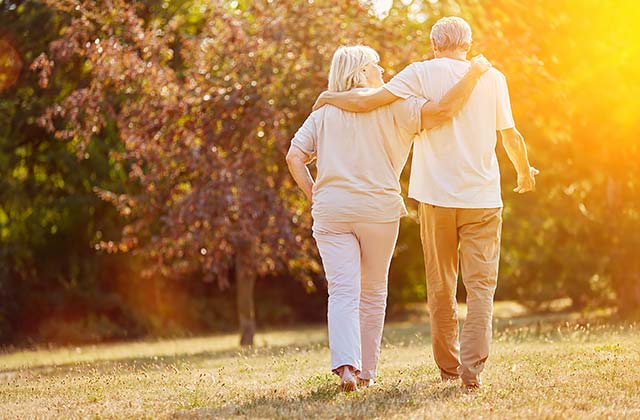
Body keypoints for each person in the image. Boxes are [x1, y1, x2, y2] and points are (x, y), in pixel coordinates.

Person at [313, 17, 539, 390]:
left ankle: (449, 368)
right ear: (467, 43)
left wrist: (329, 98)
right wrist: (524, 172)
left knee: (441, 286)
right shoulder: (493, 77)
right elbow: (510, 135)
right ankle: (472, 370)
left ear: (434, 44)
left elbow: (368, 100)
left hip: (435, 198)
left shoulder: (418, 73)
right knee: (481, 287)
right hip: (482, 198)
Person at [286, 44, 491, 392]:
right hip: (377, 210)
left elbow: (294, 156)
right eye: (377, 65)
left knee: (342, 292)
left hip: (332, 210)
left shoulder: (324, 110)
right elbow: (440, 113)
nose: (383, 71)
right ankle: (367, 373)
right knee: (373, 291)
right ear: (362, 71)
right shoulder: (397, 105)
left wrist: (314, 194)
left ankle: (346, 368)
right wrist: (472, 76)